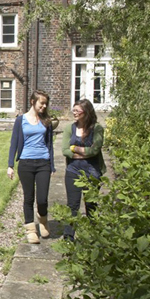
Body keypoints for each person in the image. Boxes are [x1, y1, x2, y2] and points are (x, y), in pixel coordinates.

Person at [7, 89, 55, 244]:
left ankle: (43, 221)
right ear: (33, 102)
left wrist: (51, 165)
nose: (44, 106)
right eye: (42, 103)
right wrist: (10, 165)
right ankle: (30, 230)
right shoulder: (21, 120)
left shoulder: (46, 120)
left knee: (42, 198)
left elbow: (50, 144)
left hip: (43, 163)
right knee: (28, 198)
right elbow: (14, 142)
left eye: (46, 104)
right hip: (26, 163)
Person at [62, 99, 105, 241]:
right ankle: (69, 237)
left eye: (77, 111)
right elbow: (65, 150)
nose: (74, 113)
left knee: (91, 205)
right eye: (73, 110)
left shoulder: (97, 129)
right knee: (72, 205)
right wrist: (81, 152)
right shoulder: (70, 128)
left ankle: (93, 237)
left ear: (86, 112)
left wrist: (75, 148)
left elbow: (94, 150)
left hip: (92, 171)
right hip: (73, 170)